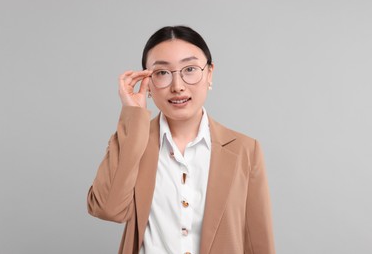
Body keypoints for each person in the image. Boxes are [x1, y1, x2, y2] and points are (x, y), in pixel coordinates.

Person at [87, 25, 275, 254]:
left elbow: (258, 242)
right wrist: (133, 116)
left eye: (190, 69)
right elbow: (107, 209)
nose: (177, 86)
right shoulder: (134, 142)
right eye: (162, 73)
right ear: (147, 82)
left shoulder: (245, 150)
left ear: (209, 73)